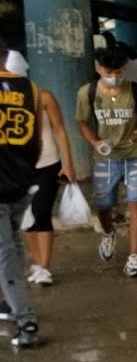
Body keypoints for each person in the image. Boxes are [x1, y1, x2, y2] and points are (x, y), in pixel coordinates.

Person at [77, 47, 137, 278]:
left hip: (135, 154)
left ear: (124, 69)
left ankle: (134, 257)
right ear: (98, 69)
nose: (113, 75)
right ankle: (108, 233)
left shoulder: (135, 90)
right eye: (107, 71)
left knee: (136, 203)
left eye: (117, 71)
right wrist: (94, 142)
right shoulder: (88, 92)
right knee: (103, 206)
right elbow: (82, 122)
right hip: (105, 158)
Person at [0, 43, 41, 346]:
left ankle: (26, 321)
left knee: (5, 253)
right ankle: (12, 306)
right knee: (11, 245)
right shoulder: (30, 88)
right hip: (21, 180)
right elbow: (37, 138)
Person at [25, 86, 77, 285]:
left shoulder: (44, 97)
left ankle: (45, 267)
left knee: (41, 212)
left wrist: (68, 163)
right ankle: (38, 263)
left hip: (48, 164)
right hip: (17, 168)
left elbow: (59, 130)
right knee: (25, 217)